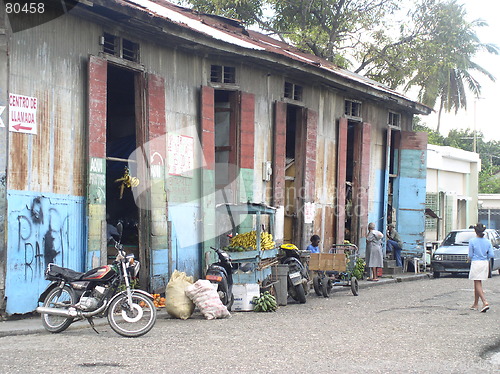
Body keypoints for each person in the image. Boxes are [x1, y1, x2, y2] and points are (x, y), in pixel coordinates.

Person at [468, 223, 494, 313]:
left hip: (476, 262)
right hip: (484, 263)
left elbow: (470, 255)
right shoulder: (487, 241)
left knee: (477, 282)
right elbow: (491, 254)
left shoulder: (472, 241)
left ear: (475, 231)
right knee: (478, 282)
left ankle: (484, 301)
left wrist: (469, 258)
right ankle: (475, 304)